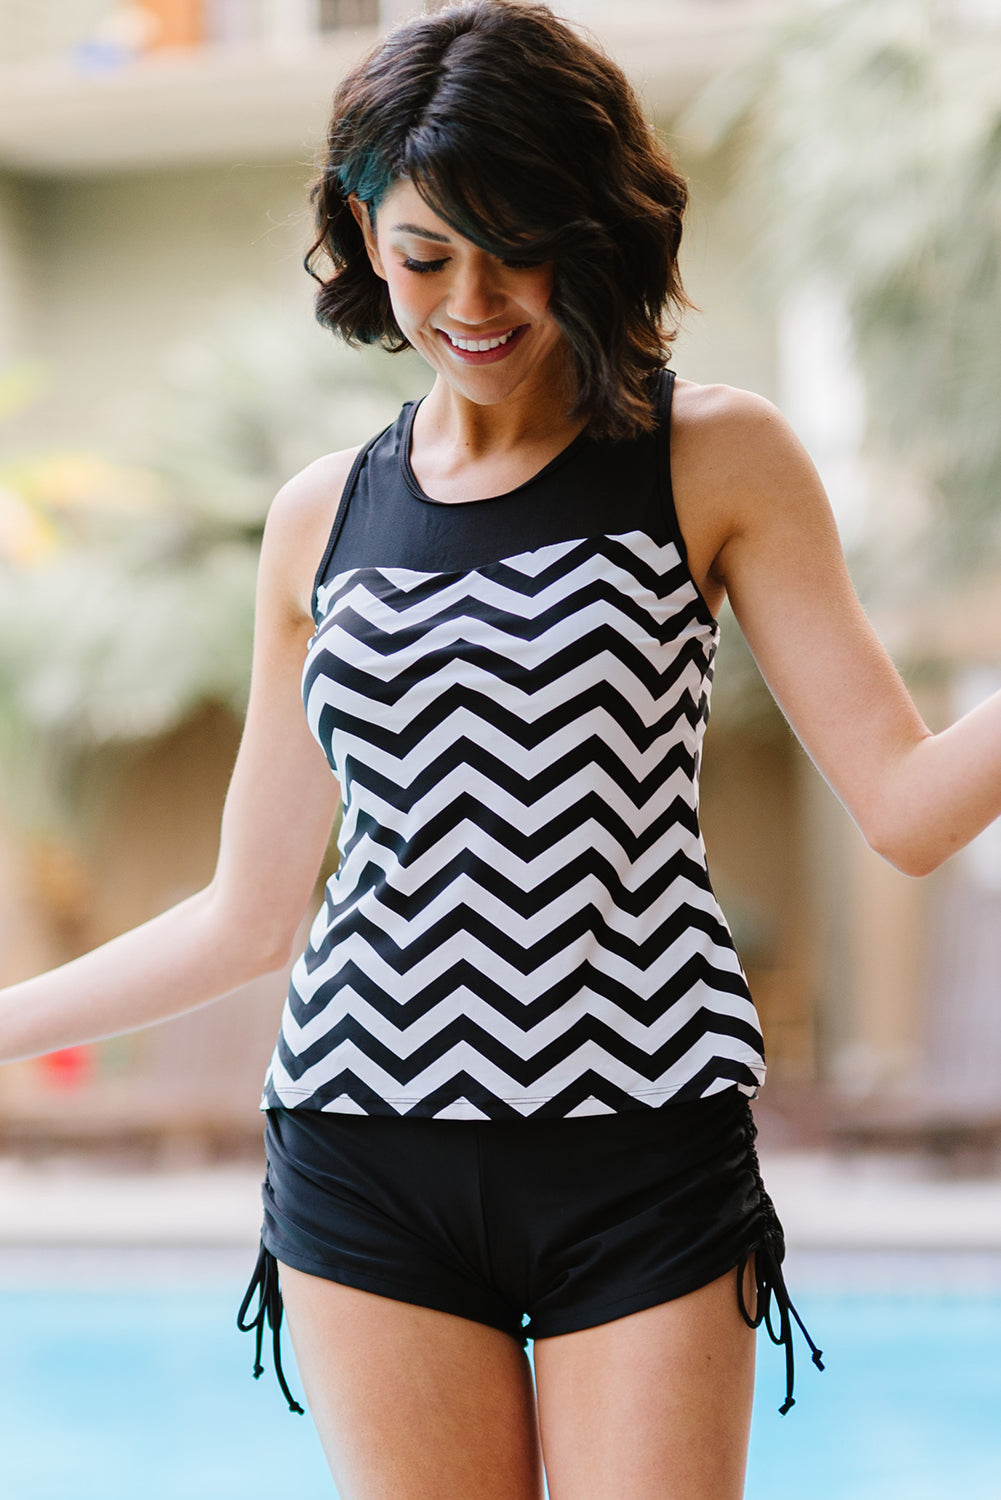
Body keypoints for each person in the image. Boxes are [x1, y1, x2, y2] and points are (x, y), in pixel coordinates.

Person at [2, 2, 1000, 1496]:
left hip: (642, 1156)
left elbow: (909, 808)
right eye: (422, 255)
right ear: (362, 233)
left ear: (590, 230)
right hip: (364, 1154)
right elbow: (247, 914)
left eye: (515, 244)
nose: (469, 298)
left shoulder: (710, 456)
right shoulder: (318, 520)